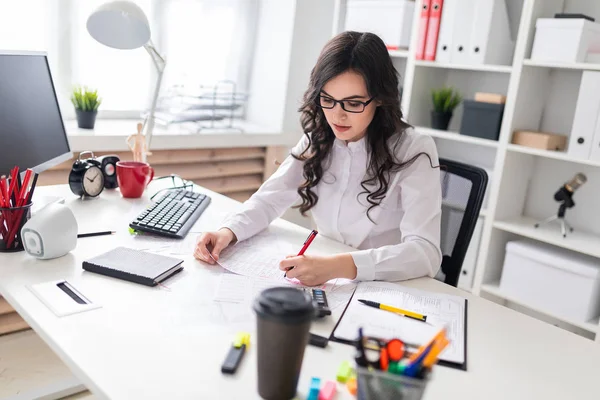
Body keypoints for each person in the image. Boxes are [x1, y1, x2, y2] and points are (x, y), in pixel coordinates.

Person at [194, 31, 442, 286]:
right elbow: (270, 199)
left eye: (353, 103)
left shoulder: (413, 148)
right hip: (325, 273)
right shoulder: (319, 136)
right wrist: (228, 232)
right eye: (328, 100)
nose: (337, 116)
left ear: (379, 98)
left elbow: (425, 252)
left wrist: (341, 265)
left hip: (389, 283)